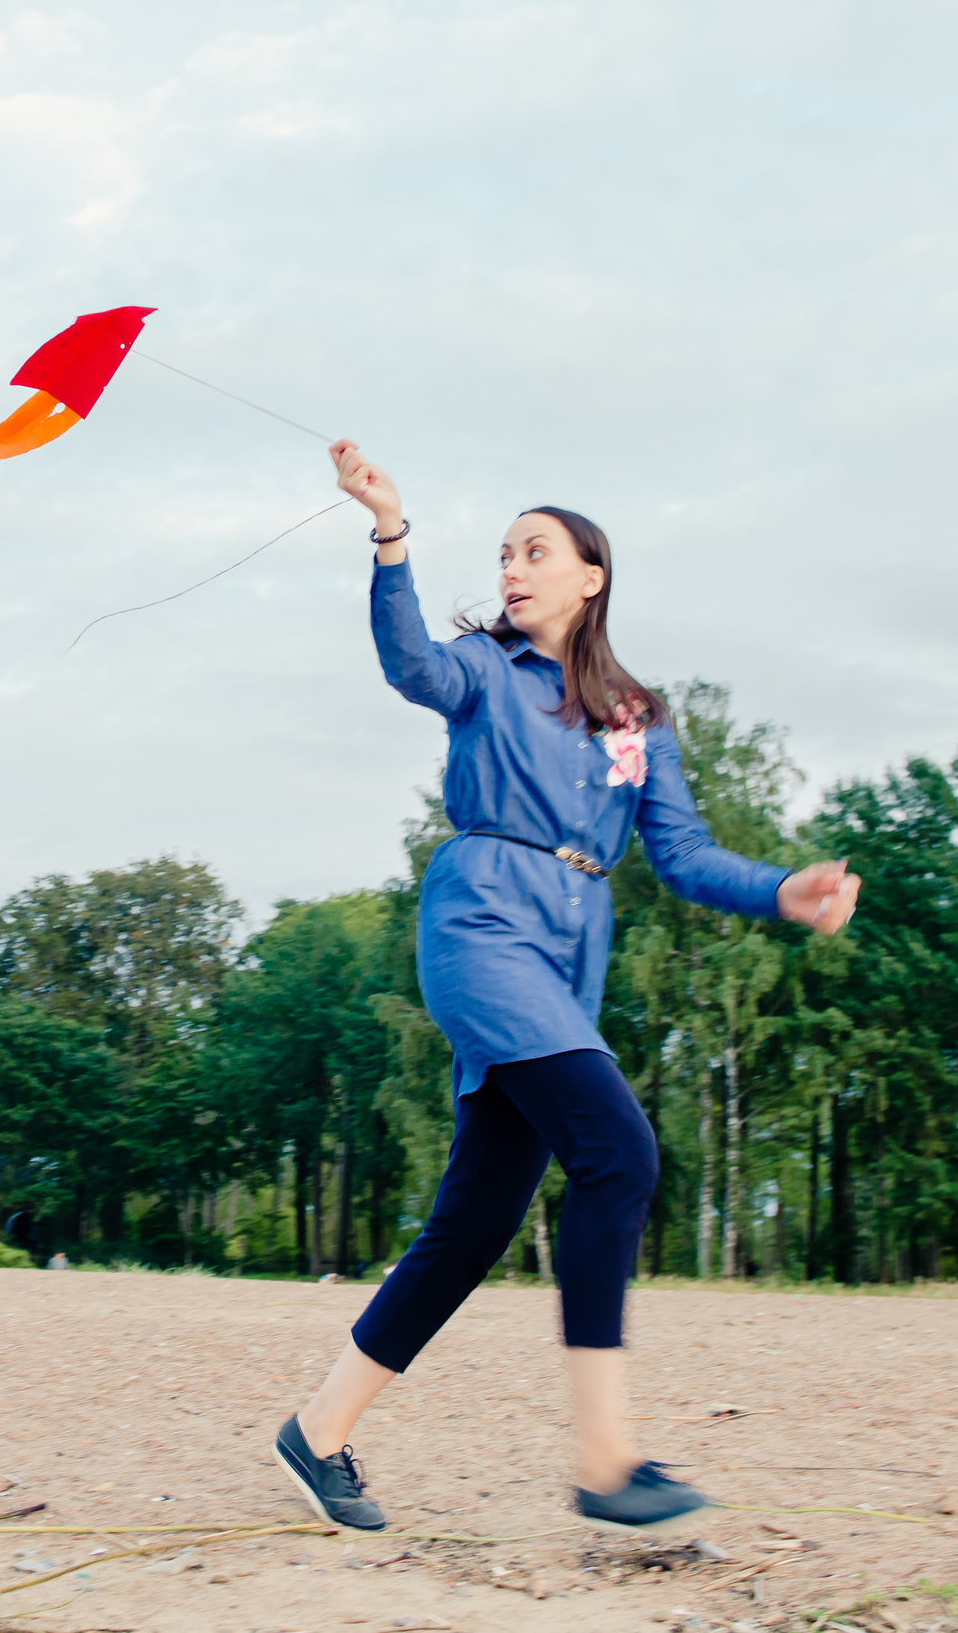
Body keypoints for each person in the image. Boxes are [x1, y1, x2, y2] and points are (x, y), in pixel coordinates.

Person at [272, 439, 862, 1538]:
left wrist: (786, 888)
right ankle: (603, 1458)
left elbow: (681, 855)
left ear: (591, 575)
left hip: (563, 959)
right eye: (503, 554)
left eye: (534, 551)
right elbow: (408, 663)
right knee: (620, 1154)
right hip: (481, 927)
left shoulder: (636, 718)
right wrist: (390, 531)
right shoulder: (481, 671)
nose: (511, 568)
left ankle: (317, 1428)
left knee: (475, 1219)